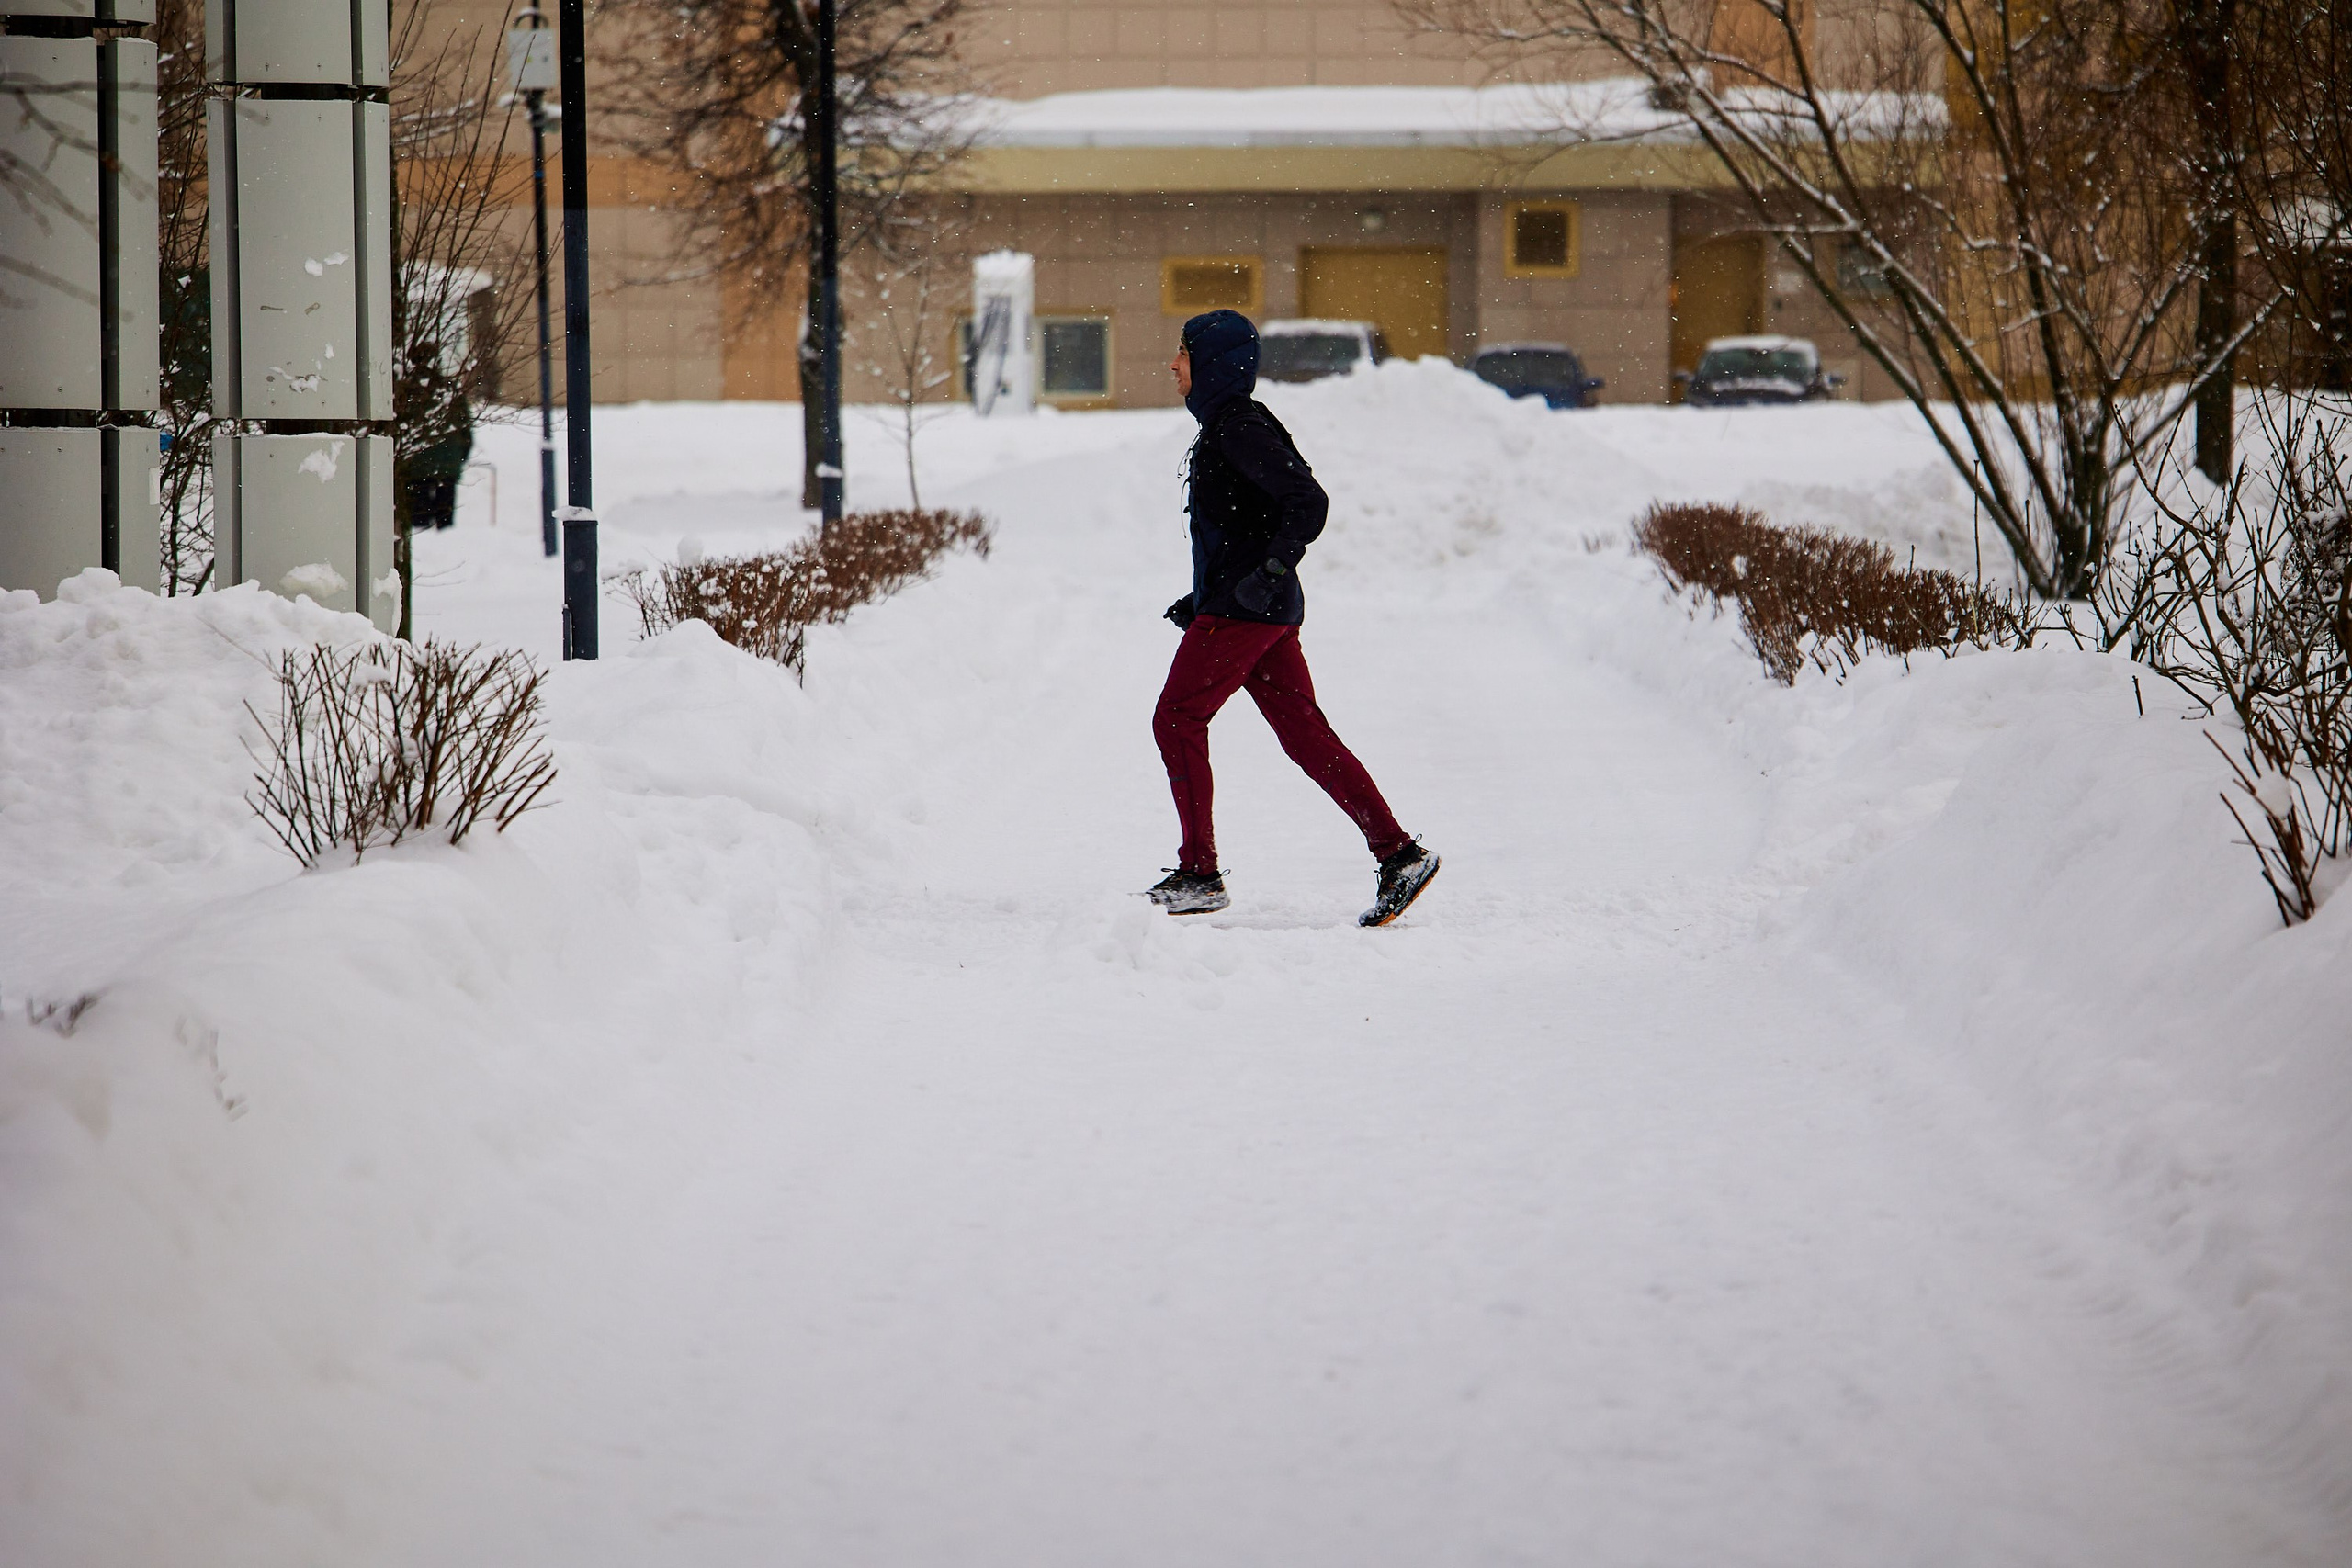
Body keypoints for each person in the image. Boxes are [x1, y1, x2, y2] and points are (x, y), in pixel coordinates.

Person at [1145, 309, 1440, 927]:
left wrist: (1265, 577)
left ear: (1213, 363)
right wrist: (1206, 597)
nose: (1173, 366)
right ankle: (1400, 855)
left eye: (1183, 353)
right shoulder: (1229, 425)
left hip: (1248, 612)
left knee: (1176, 718)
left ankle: (1199, 871)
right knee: (1306, 737)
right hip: (1254, 610)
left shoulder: (1238, 427)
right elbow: (1242, 528)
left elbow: (1307, 502)